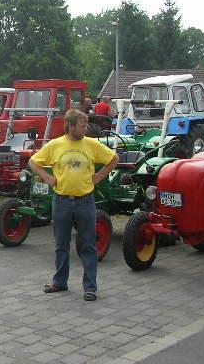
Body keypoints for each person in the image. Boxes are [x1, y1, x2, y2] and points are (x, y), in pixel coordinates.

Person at [29, 109, 118, 301]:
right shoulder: (55, 145)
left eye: (86, 125)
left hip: (85, 201)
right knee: (61, 244)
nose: (86, 129)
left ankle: (90, 287)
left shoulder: (91, 144)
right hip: (61, 201)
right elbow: (33, 162)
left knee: (88, 245)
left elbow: (113, 159)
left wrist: (100, 176)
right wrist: (47, 177)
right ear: (70, 126)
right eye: (82, 126)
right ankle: (60, 282)